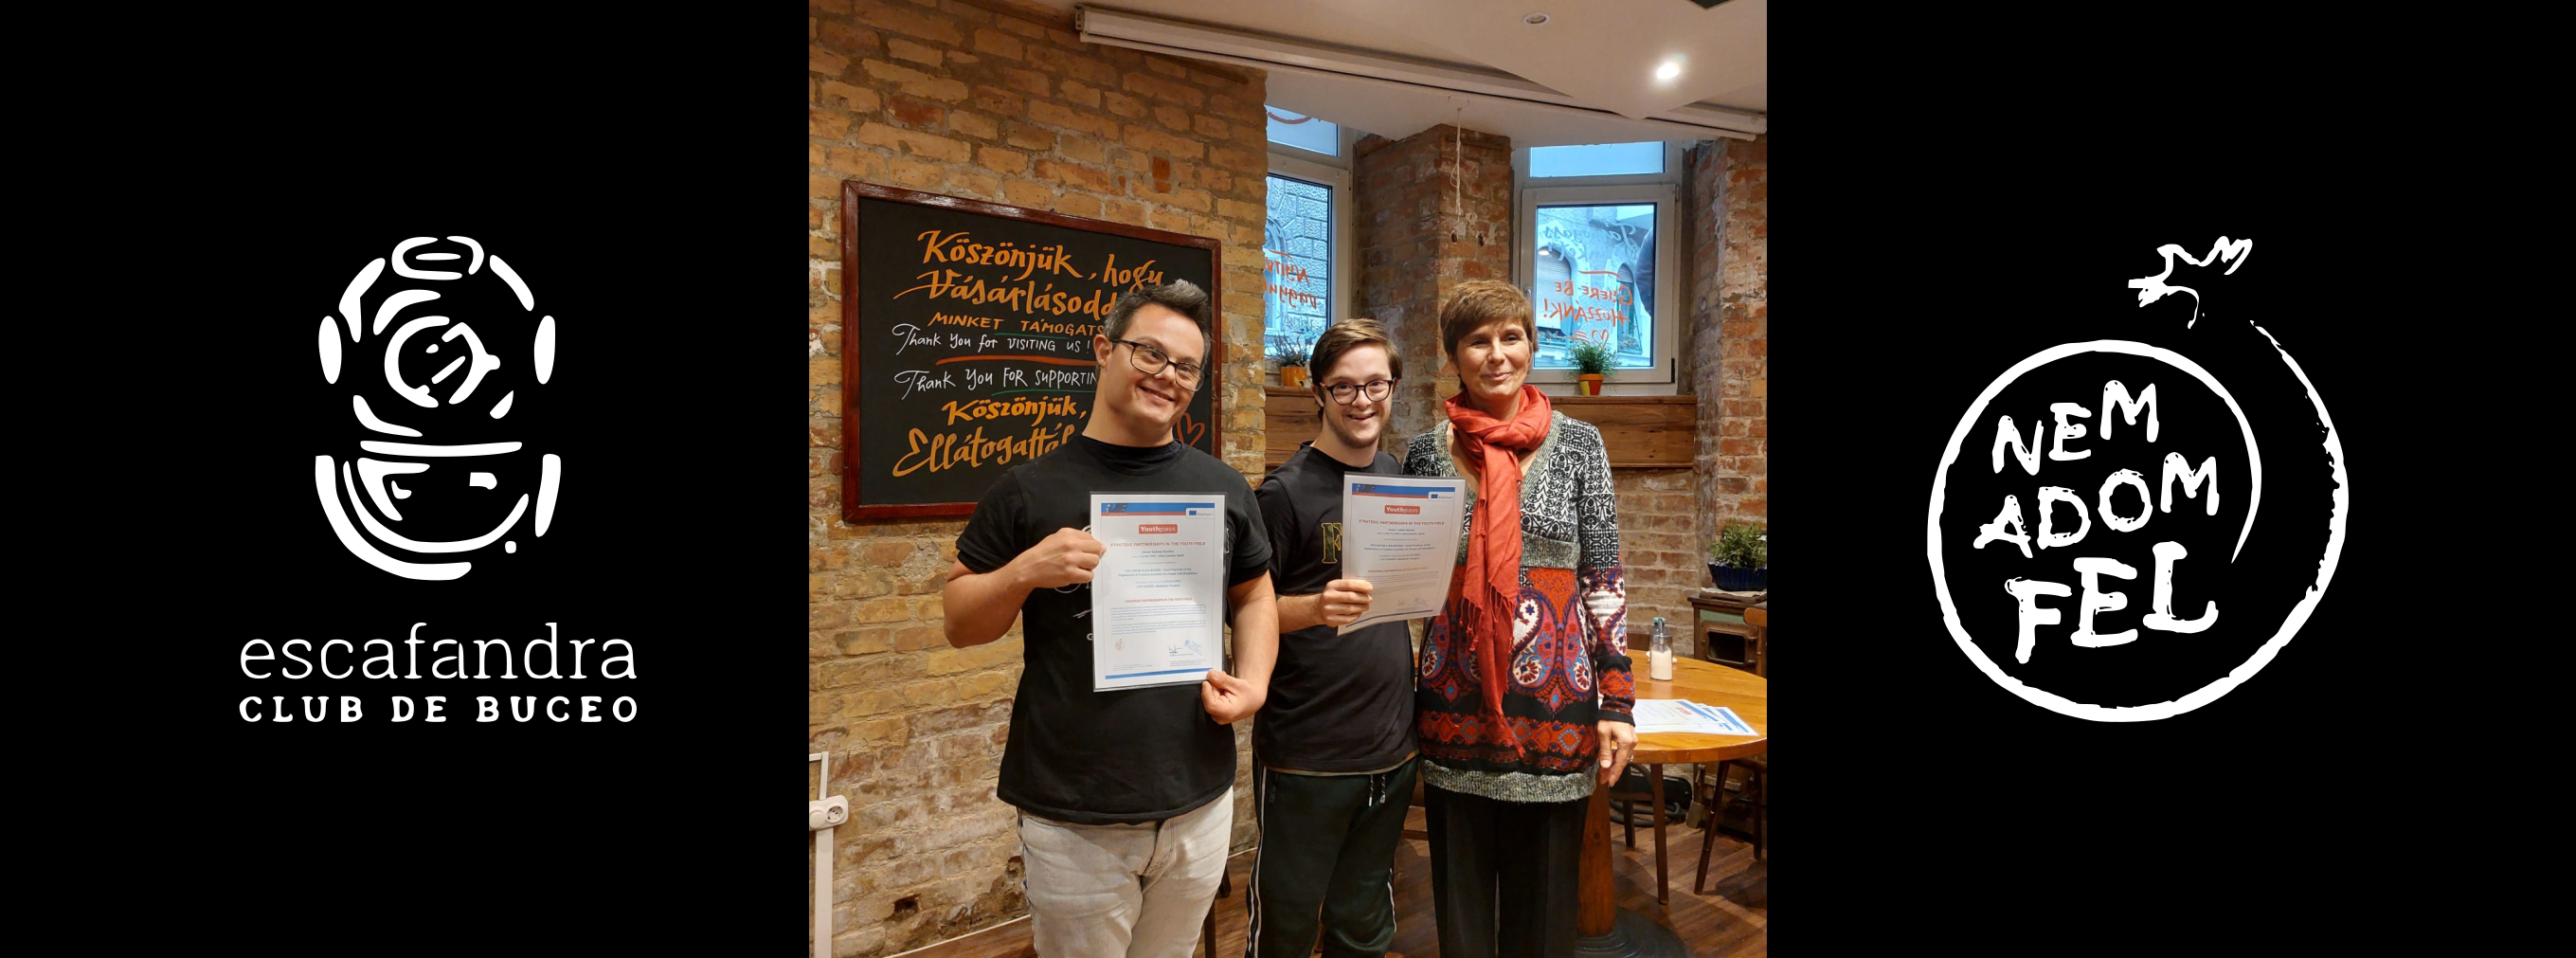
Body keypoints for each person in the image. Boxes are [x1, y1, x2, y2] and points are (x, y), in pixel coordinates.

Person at [942, 280, 1281, 958]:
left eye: (1186, 366)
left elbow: (1253, 594)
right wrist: (1022, 571)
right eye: (1149, 353)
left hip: (1197, 795)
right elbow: (960, 621)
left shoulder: (1222, 486)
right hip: (1075, 811)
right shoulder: (1029, 489)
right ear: (1103, 349)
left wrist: (1256, 682)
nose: (1167, 377)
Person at [1401, 280, 1635, 957]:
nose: (1496, 354)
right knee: (1463, 917)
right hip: (1453, 710)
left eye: (1511, 337)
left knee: (1542, 919)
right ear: (1454, 356)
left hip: (1555, 716)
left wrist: (1616, 698)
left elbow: (1603, 578)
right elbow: (1406, 580)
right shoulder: (1423, 452)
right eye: (1478, 340)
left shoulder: (1580, 445)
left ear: (1532, 345)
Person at [1245, 318, 1417, 958]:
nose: (1362, 399)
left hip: (1392, 750)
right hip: (1306, 756)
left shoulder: (1397, 475)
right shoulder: (1283, 494)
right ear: (1317, 393)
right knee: (1285, 929)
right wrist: (1315, 606)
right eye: (1343, 386)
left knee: (1364, 922)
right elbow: (1243, 613)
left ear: (1393, 386)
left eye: (1376, 383)